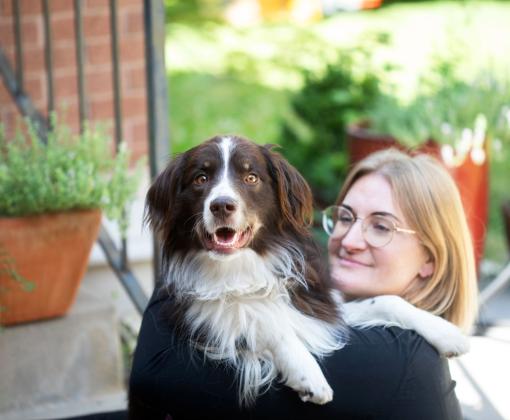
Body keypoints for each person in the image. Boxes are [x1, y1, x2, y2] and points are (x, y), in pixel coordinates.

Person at [129, 148, 477, 420]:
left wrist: (277, 339)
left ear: (431, 259)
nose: (349, 239)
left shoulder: (402, 360)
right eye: (345, 216)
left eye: (381, 227)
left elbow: (154, 371)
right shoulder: (316, 294)